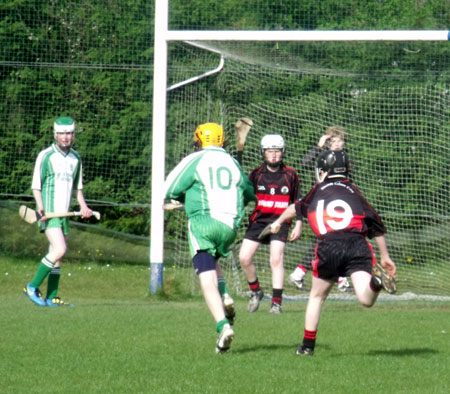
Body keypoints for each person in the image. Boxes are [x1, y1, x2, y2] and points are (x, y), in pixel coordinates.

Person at [265, 150, 397, 356]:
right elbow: (376, 223)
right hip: (357, 244)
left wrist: (278, 222)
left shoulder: (318, 189)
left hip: (330, 246)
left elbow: (295, 208)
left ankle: (307, 347)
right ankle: (375, 283)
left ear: (323, 171)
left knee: (317, 297)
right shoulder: (354, 191)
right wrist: (385, 256)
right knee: (365, 299)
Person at [164, 122, 255, 354]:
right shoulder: (233, 162)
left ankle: (223, 326)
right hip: (229, 227)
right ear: (222, 141)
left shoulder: (195, 159)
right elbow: (248, 192)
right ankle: (225, 295)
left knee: (205, 277)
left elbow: (170, 187)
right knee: (214, 262)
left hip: (203, 224)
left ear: (198, 141)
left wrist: (177, 199)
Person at [24, 116, 93, 307]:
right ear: (55, 134)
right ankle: (32, 286)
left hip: (64, 215)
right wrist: (40, 208)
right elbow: (36, 186)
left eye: (69, 133)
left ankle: (52, 297)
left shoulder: (76, 158)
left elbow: (77, 188)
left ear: (74, 135)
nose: (65, 137)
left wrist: (84, 206)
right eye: (61, 133)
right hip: (49, 213)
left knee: (57, 255)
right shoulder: (46, 156)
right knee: (60, 249)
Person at [239, 134, 302, 314]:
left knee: (276, 258)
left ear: (282, 153)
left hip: (281, 221)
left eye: (277, 151)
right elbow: (244, 197)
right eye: (269, 152)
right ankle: (256, 291)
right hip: (259, 221)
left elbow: (297, 203)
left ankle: (276, 303)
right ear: (263, 153)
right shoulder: (256, 174)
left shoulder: (291, 175)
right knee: (244, 257)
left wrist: (298, 224)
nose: (273, 155)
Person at [289, 126, 350, 292]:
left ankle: (299, 273)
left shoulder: (344, 158)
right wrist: (318, 147)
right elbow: (304, 163)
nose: (337, 144)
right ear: (328, 143)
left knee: (330, 240)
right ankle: (341, 279)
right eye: (333, 141)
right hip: (323, 203)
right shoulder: (323, 156)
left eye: (340, 141)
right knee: (332, 239)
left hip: (338, 202)